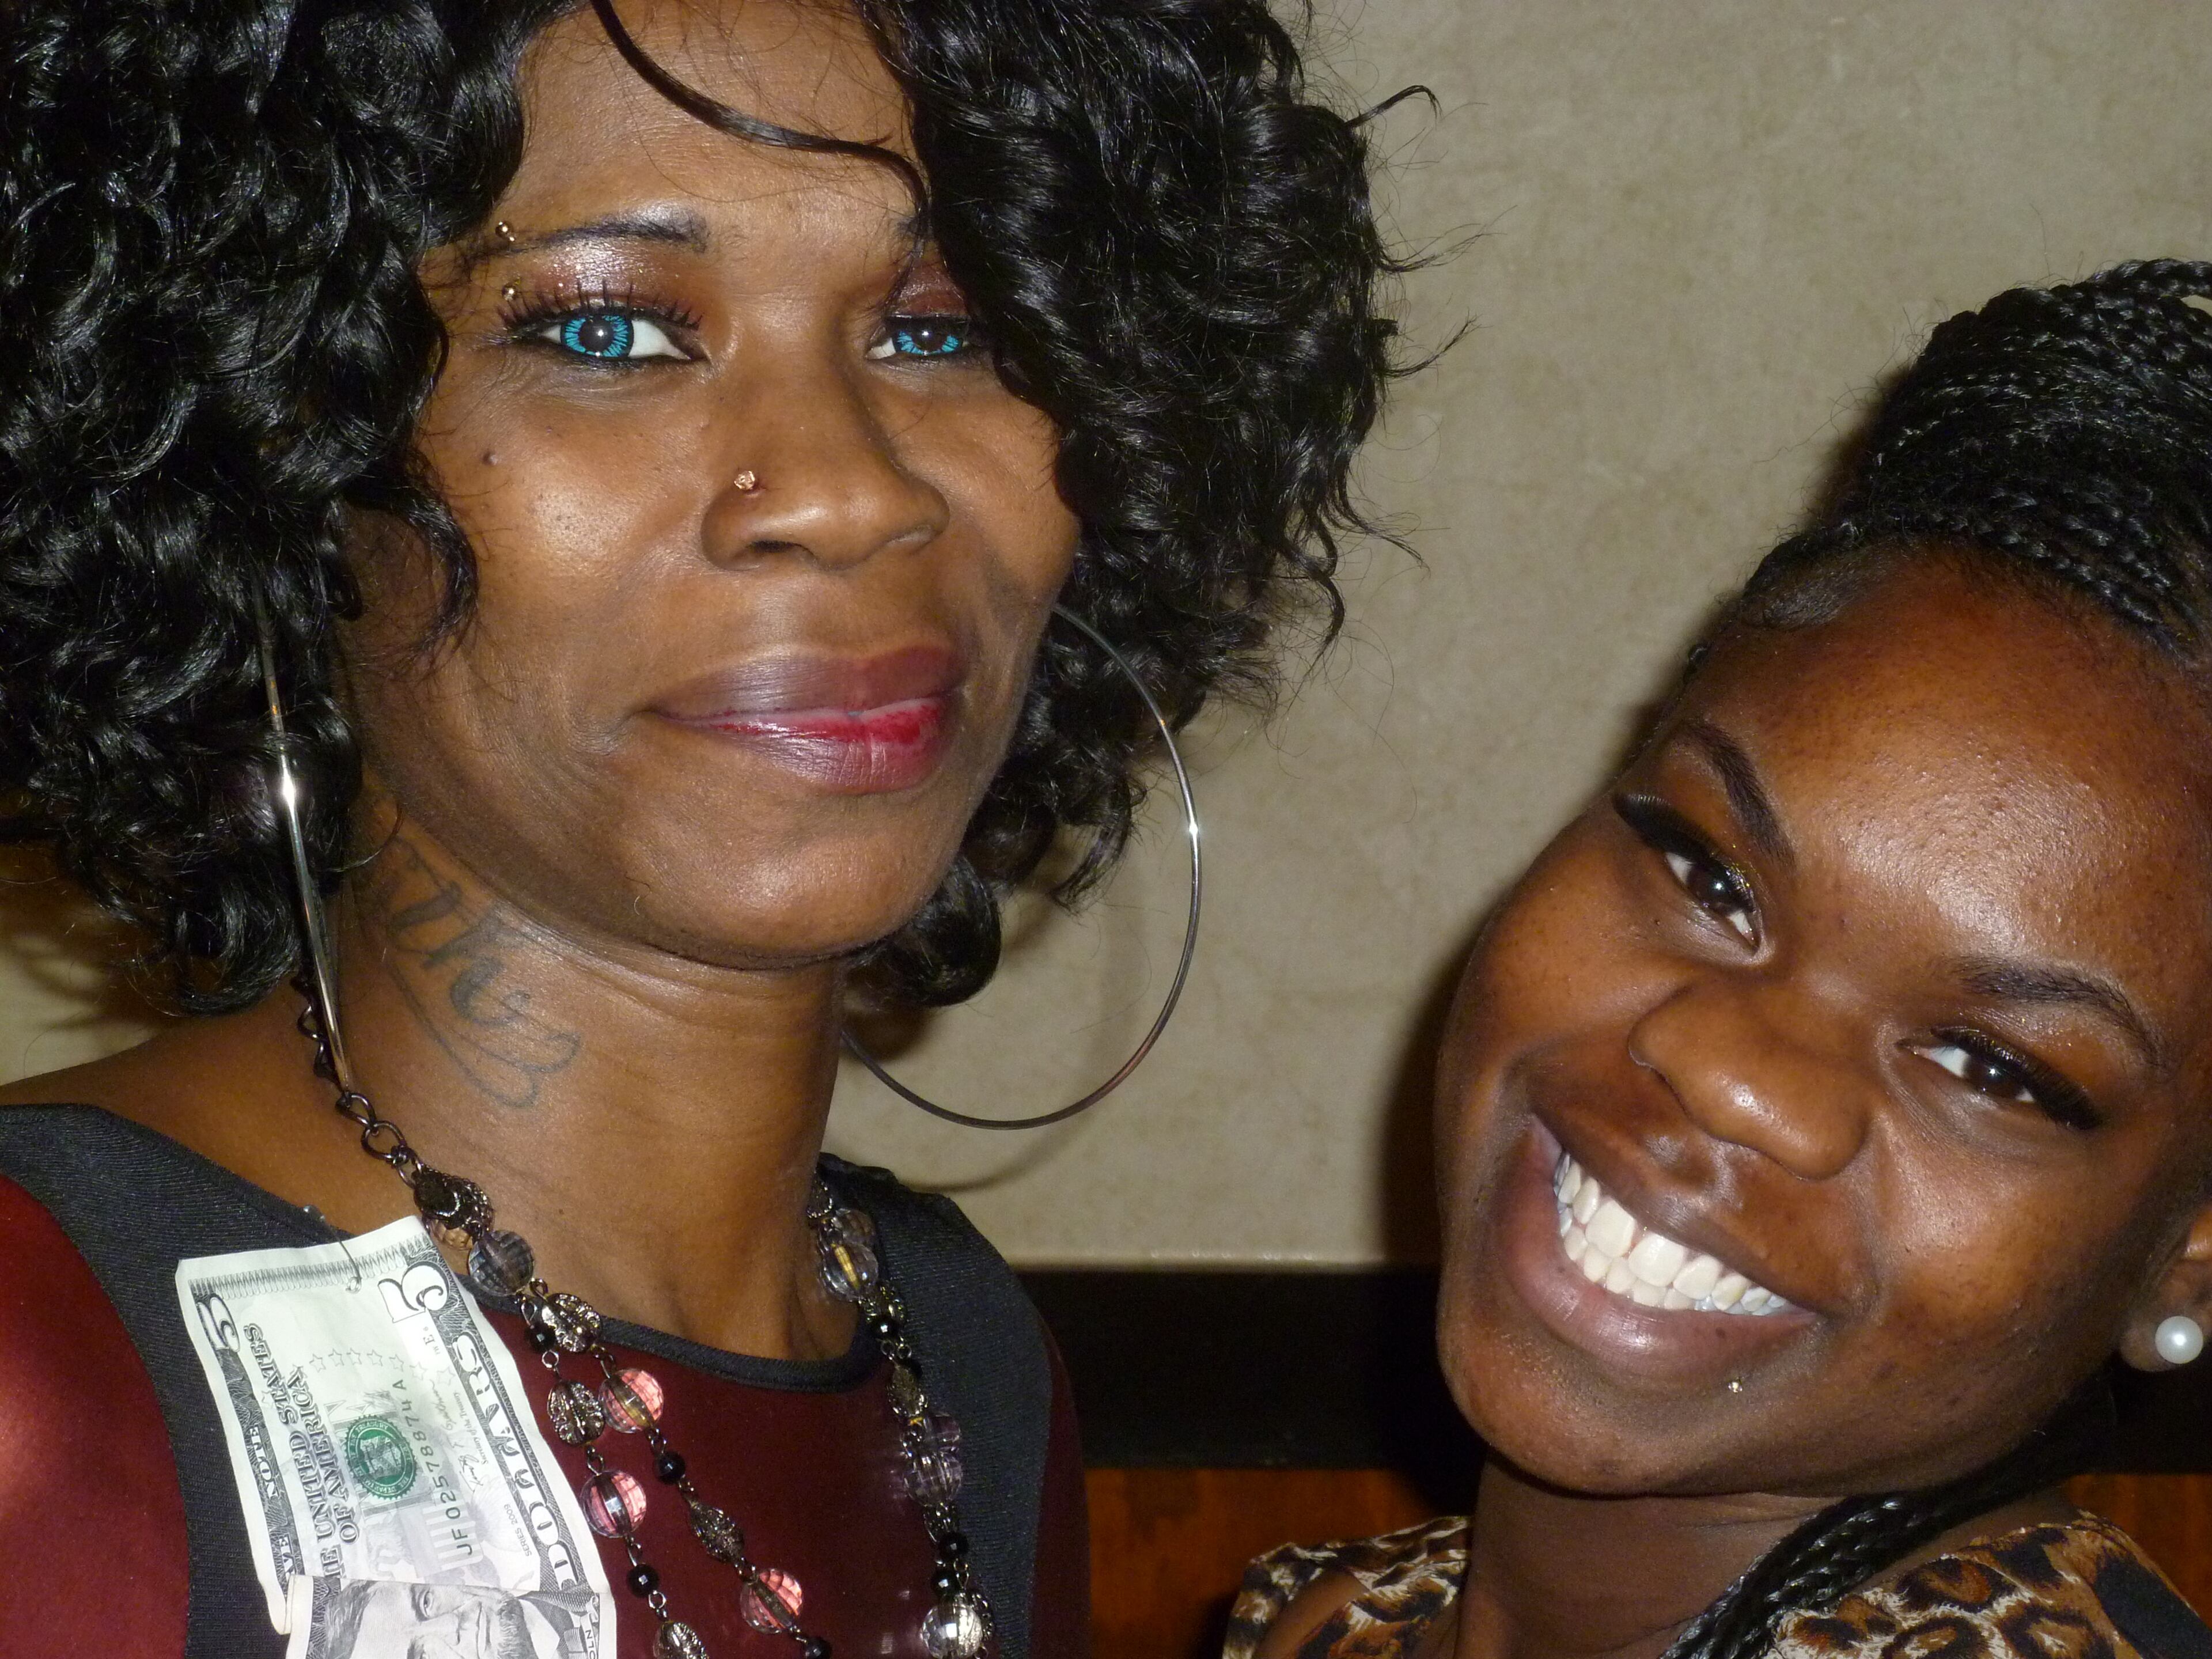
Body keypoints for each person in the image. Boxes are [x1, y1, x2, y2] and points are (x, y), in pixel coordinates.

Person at [0, 2, 1403, 1656]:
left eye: (944, 328)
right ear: (274, 454)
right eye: (609, 332)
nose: (850, 491)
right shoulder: (37, 1353)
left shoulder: (956, 1358)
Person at [1228, 261, 2212, 1659]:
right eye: (1706, 871)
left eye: (1992, 1067)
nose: (1736, 1075)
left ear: (2191, 1255)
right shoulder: (1343, 1622)